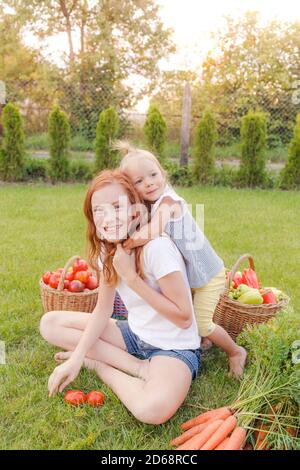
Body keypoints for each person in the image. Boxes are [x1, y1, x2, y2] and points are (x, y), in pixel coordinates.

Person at [39, 169, 201, 425]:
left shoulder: (157, 248)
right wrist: (78, 357)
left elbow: (183, 318)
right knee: (50, 324)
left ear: (135, 212)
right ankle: (136, 367)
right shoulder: (108, 250)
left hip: (172, 348)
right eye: (99, 210)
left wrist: (133, 279)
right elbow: (103, 309)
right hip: (135, 336)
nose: (108, 217)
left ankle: (103, 366)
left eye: (117, 206)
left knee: (152, 411)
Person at [116, 141, 247, 378]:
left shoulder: (169, 202)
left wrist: (125, 244)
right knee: (194, 315)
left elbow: (152, 231)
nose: (149, 182)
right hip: (192, 276)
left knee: (202, 321)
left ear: (163, 173)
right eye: (139, 181)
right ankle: (204, 340)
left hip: (208, 275)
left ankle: (235, 351)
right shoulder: (150, 205)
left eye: (154, 175)